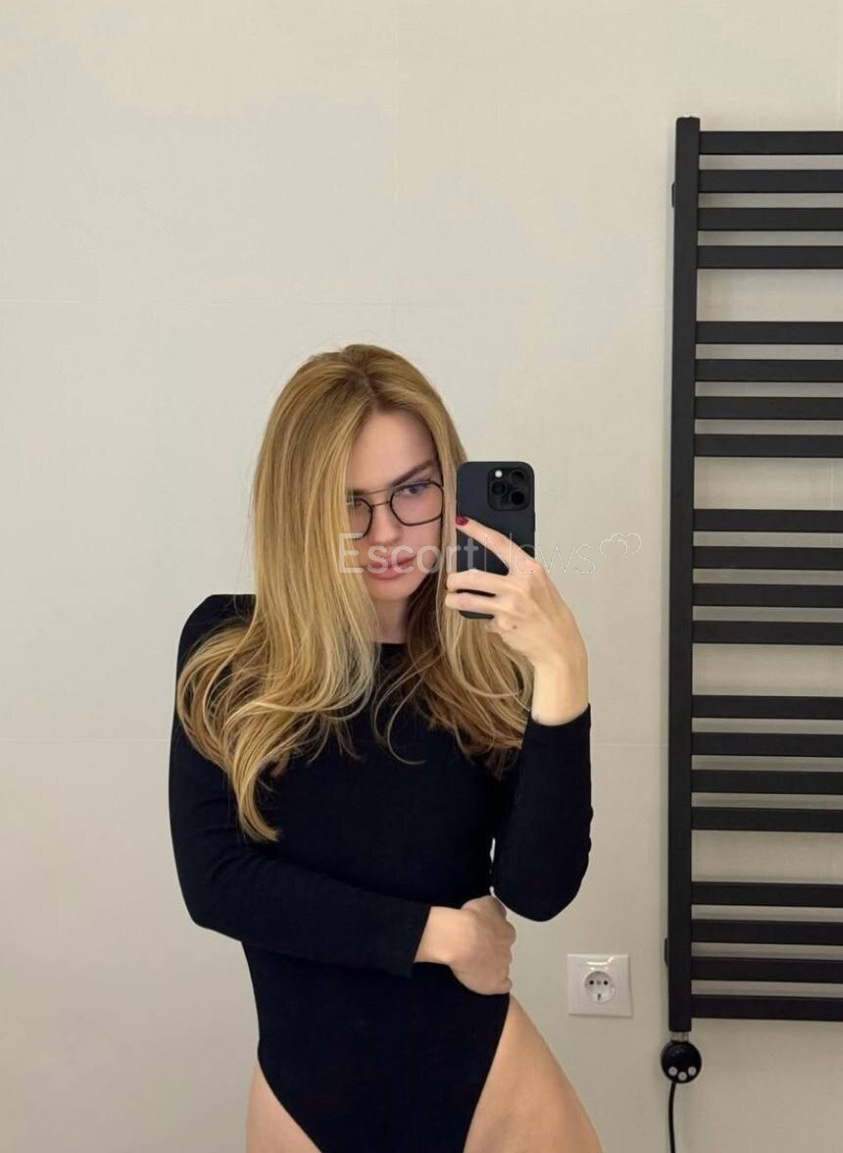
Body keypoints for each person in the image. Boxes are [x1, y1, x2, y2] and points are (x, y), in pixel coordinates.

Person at [168, 343, 602, 1152]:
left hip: (490, 1087)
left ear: (449, 485)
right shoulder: (231, 649)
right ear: (299, 511)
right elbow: (217, 882)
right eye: (350, 504)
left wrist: (563, 672)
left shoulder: (492, 661)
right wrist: (440, 935)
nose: (389, 533)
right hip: (305, 1095)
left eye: (412, 490)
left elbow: (538, 891)